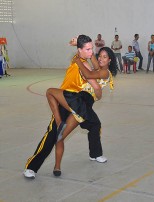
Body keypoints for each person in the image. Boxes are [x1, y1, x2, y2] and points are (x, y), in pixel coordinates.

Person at [23, 35, 113, 179]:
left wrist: (95, 85)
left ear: (109, 60)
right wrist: (78, 50)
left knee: (95, 125)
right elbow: (91, 72)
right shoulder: (79, 62)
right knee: (53, 135)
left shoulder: (93, 68)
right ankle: (32, 167)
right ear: (80, 50)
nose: (94, 54)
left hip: (80, 101)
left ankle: (95, 154)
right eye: (90, 50)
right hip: (66, 99)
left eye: (94, 51)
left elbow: (93, 75)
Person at [46, 43, 117, 176]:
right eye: (100, 56)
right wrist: (81, 46)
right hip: (77, 101)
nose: (101, 59)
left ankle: (59, 121)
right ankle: (57, 167)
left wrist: (78, 60)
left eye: (104, 57)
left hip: (82, 103)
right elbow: (91, 60)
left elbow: (88, 74)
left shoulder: (105, 72)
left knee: (50, 92)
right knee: (60, 137)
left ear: (110, 60)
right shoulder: (98, 68)